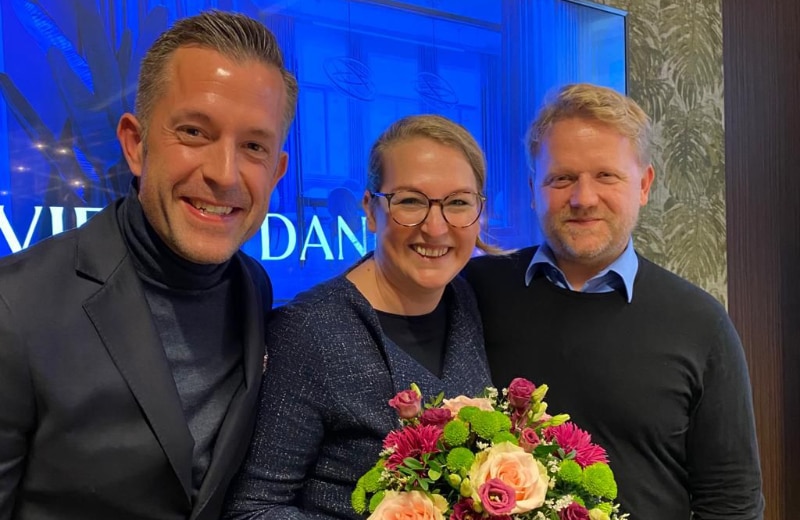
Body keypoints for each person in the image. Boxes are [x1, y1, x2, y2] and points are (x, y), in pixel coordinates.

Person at [0, 10, 297, 520]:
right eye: (194, 132)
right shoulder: (15, 307)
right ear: (135, 145)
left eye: (253, 146)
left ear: (276, 172)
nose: (225, 174)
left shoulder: (254, 286)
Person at [462, 83, 764, 519]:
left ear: (644, 185)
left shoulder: (701, 324)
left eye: (606, 176)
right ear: (533, 188)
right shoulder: (474, 294)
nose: (583, 199)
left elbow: (731, 500)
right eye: (561, 178)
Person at [223, 114, 494, 519]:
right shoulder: (310, 331)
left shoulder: (466, 301)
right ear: (370, 210)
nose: (436, 228)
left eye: (458, 202)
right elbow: (253, 509)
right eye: (410, 201)